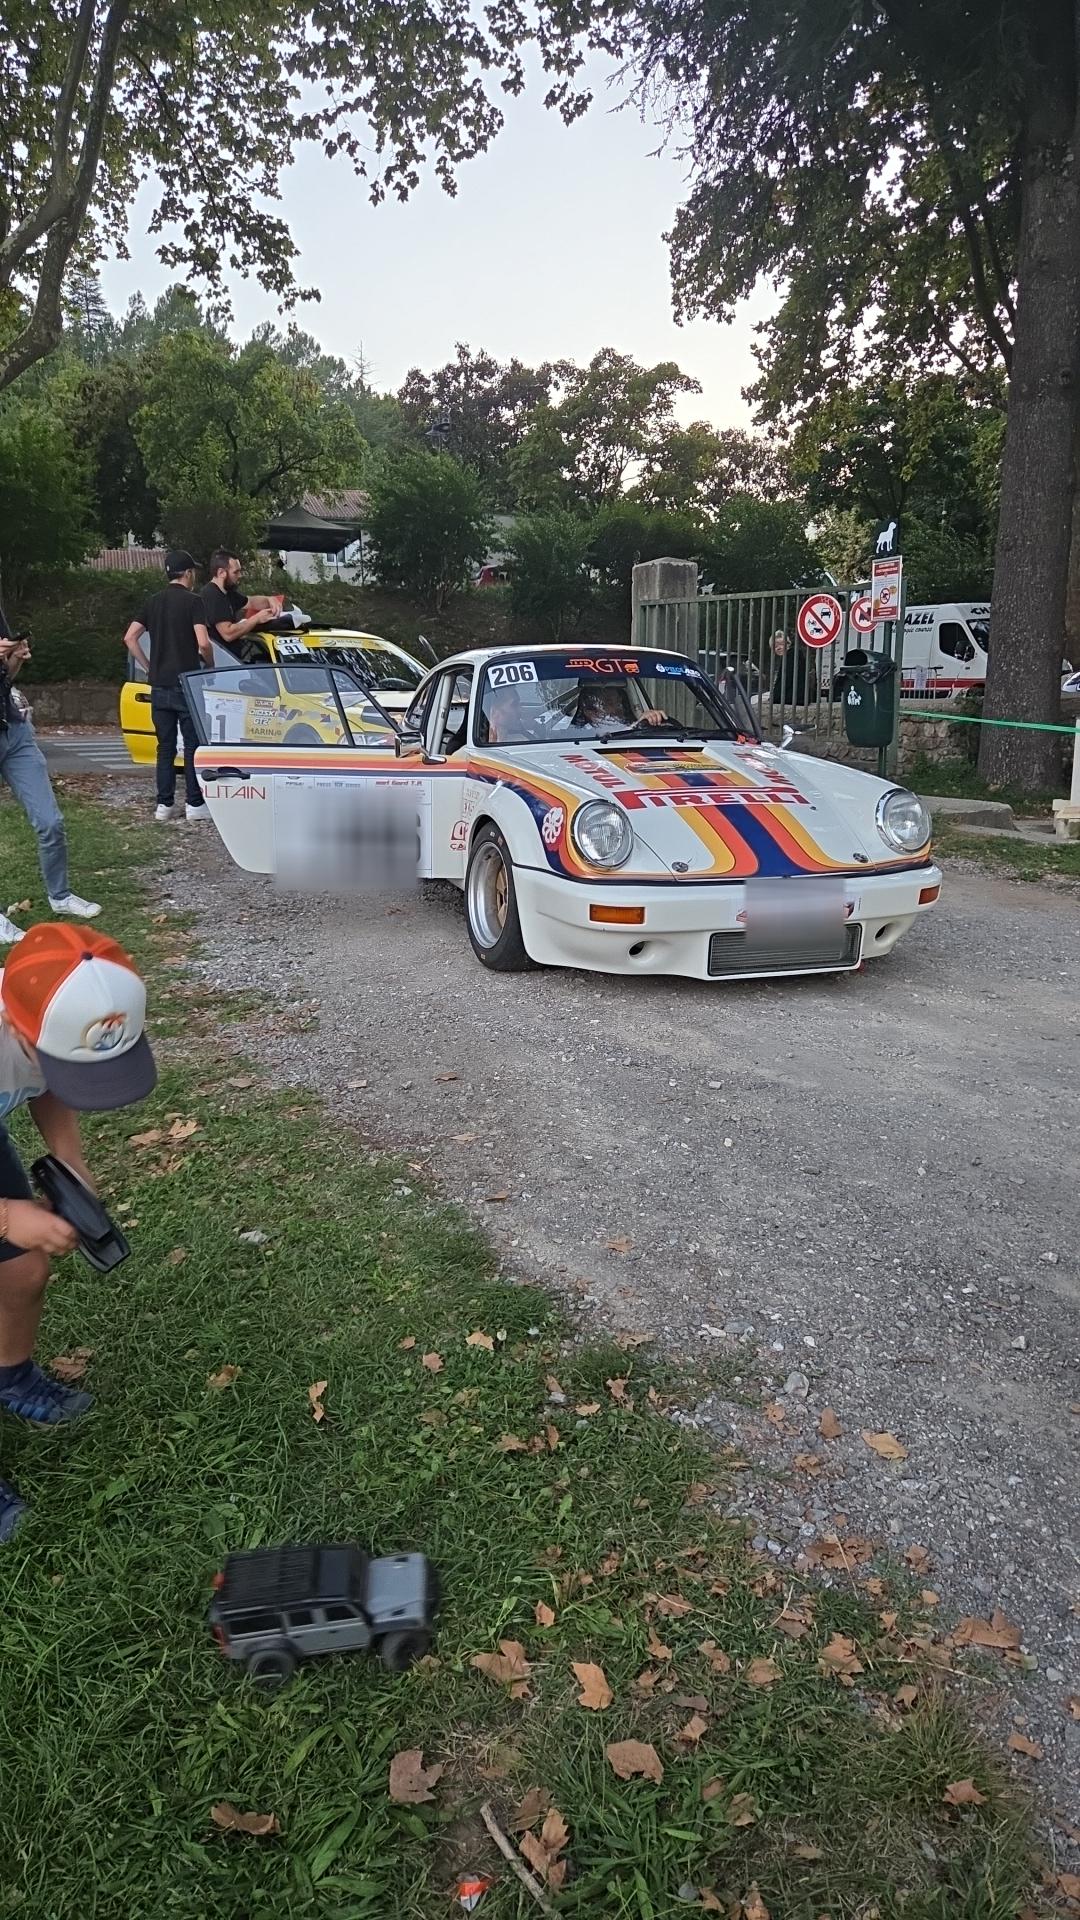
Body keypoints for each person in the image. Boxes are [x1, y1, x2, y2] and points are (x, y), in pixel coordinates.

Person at [0, 921, 157, 1541]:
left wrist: (70, 1160)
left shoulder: (39, 1015)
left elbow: (47, 1081)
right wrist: (9, 1216)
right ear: (17, 1030)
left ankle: (10, 1376)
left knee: (22, 1269)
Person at [0, 615, 100, 946]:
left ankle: (60, 895)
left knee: (50, 821)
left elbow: (5, 679)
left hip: (14, 733)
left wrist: (14, 658)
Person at [122, 550, 213, 823]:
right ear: (188, 573)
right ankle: (195, 804)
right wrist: (209, 665)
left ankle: (164, 805)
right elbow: (204, 643)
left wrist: (148, 666)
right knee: (192, 745)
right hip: (187, 684)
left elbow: (129, 637)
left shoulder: (153, 602)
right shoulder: (194, 602)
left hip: (159, 685)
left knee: (165, 747)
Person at [200, 550, 275, 655]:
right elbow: (228, 634)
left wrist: (270, 600)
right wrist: (257, 619)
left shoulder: (227, 592)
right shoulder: (212, 595)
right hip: (222, 660)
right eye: (236, 572)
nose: (240, 576)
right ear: (221, 573)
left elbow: (251, 602)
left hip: (232, 659)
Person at [770, 630, 814, 706]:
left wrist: (774, 698)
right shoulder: (793, 654)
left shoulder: (790, 656)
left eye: (781, 644)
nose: (778, 648)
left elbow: (785, 680)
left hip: (794, 698)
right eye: (775, 646)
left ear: (788, 644)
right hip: (799, 698)